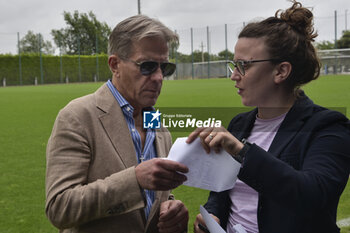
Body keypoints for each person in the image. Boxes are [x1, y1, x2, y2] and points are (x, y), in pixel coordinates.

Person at [188, 1, 350, 233]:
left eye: (243, 65)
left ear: (281, 71)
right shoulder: (239, 125)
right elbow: (221, 192)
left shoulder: (328, 126)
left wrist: (241, 152)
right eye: (233, 65)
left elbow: (311, 194)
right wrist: (212, 214)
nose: (234, 75)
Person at [45, 15, 189, 233]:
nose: (159, 77)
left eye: (165, 68)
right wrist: (134, 180)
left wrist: (170, 207)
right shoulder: (77, 116)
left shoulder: (159, 127)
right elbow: (60, 207)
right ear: (115, 65)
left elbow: (157, 196)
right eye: (148, 66)